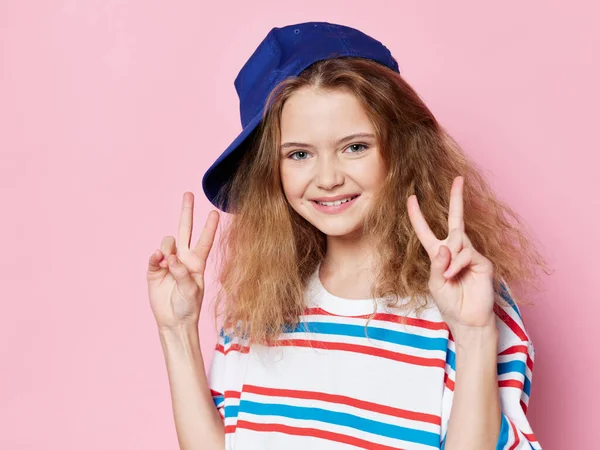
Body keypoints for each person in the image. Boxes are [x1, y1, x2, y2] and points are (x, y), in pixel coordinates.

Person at [146, 21, 549, 450]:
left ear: (401, 149)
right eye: (299, 154)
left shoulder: (469, 301)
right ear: (271, 173)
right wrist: (177, 329)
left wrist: (474, 337)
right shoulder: (261, 304)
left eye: (355, 147)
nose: (328, 178)